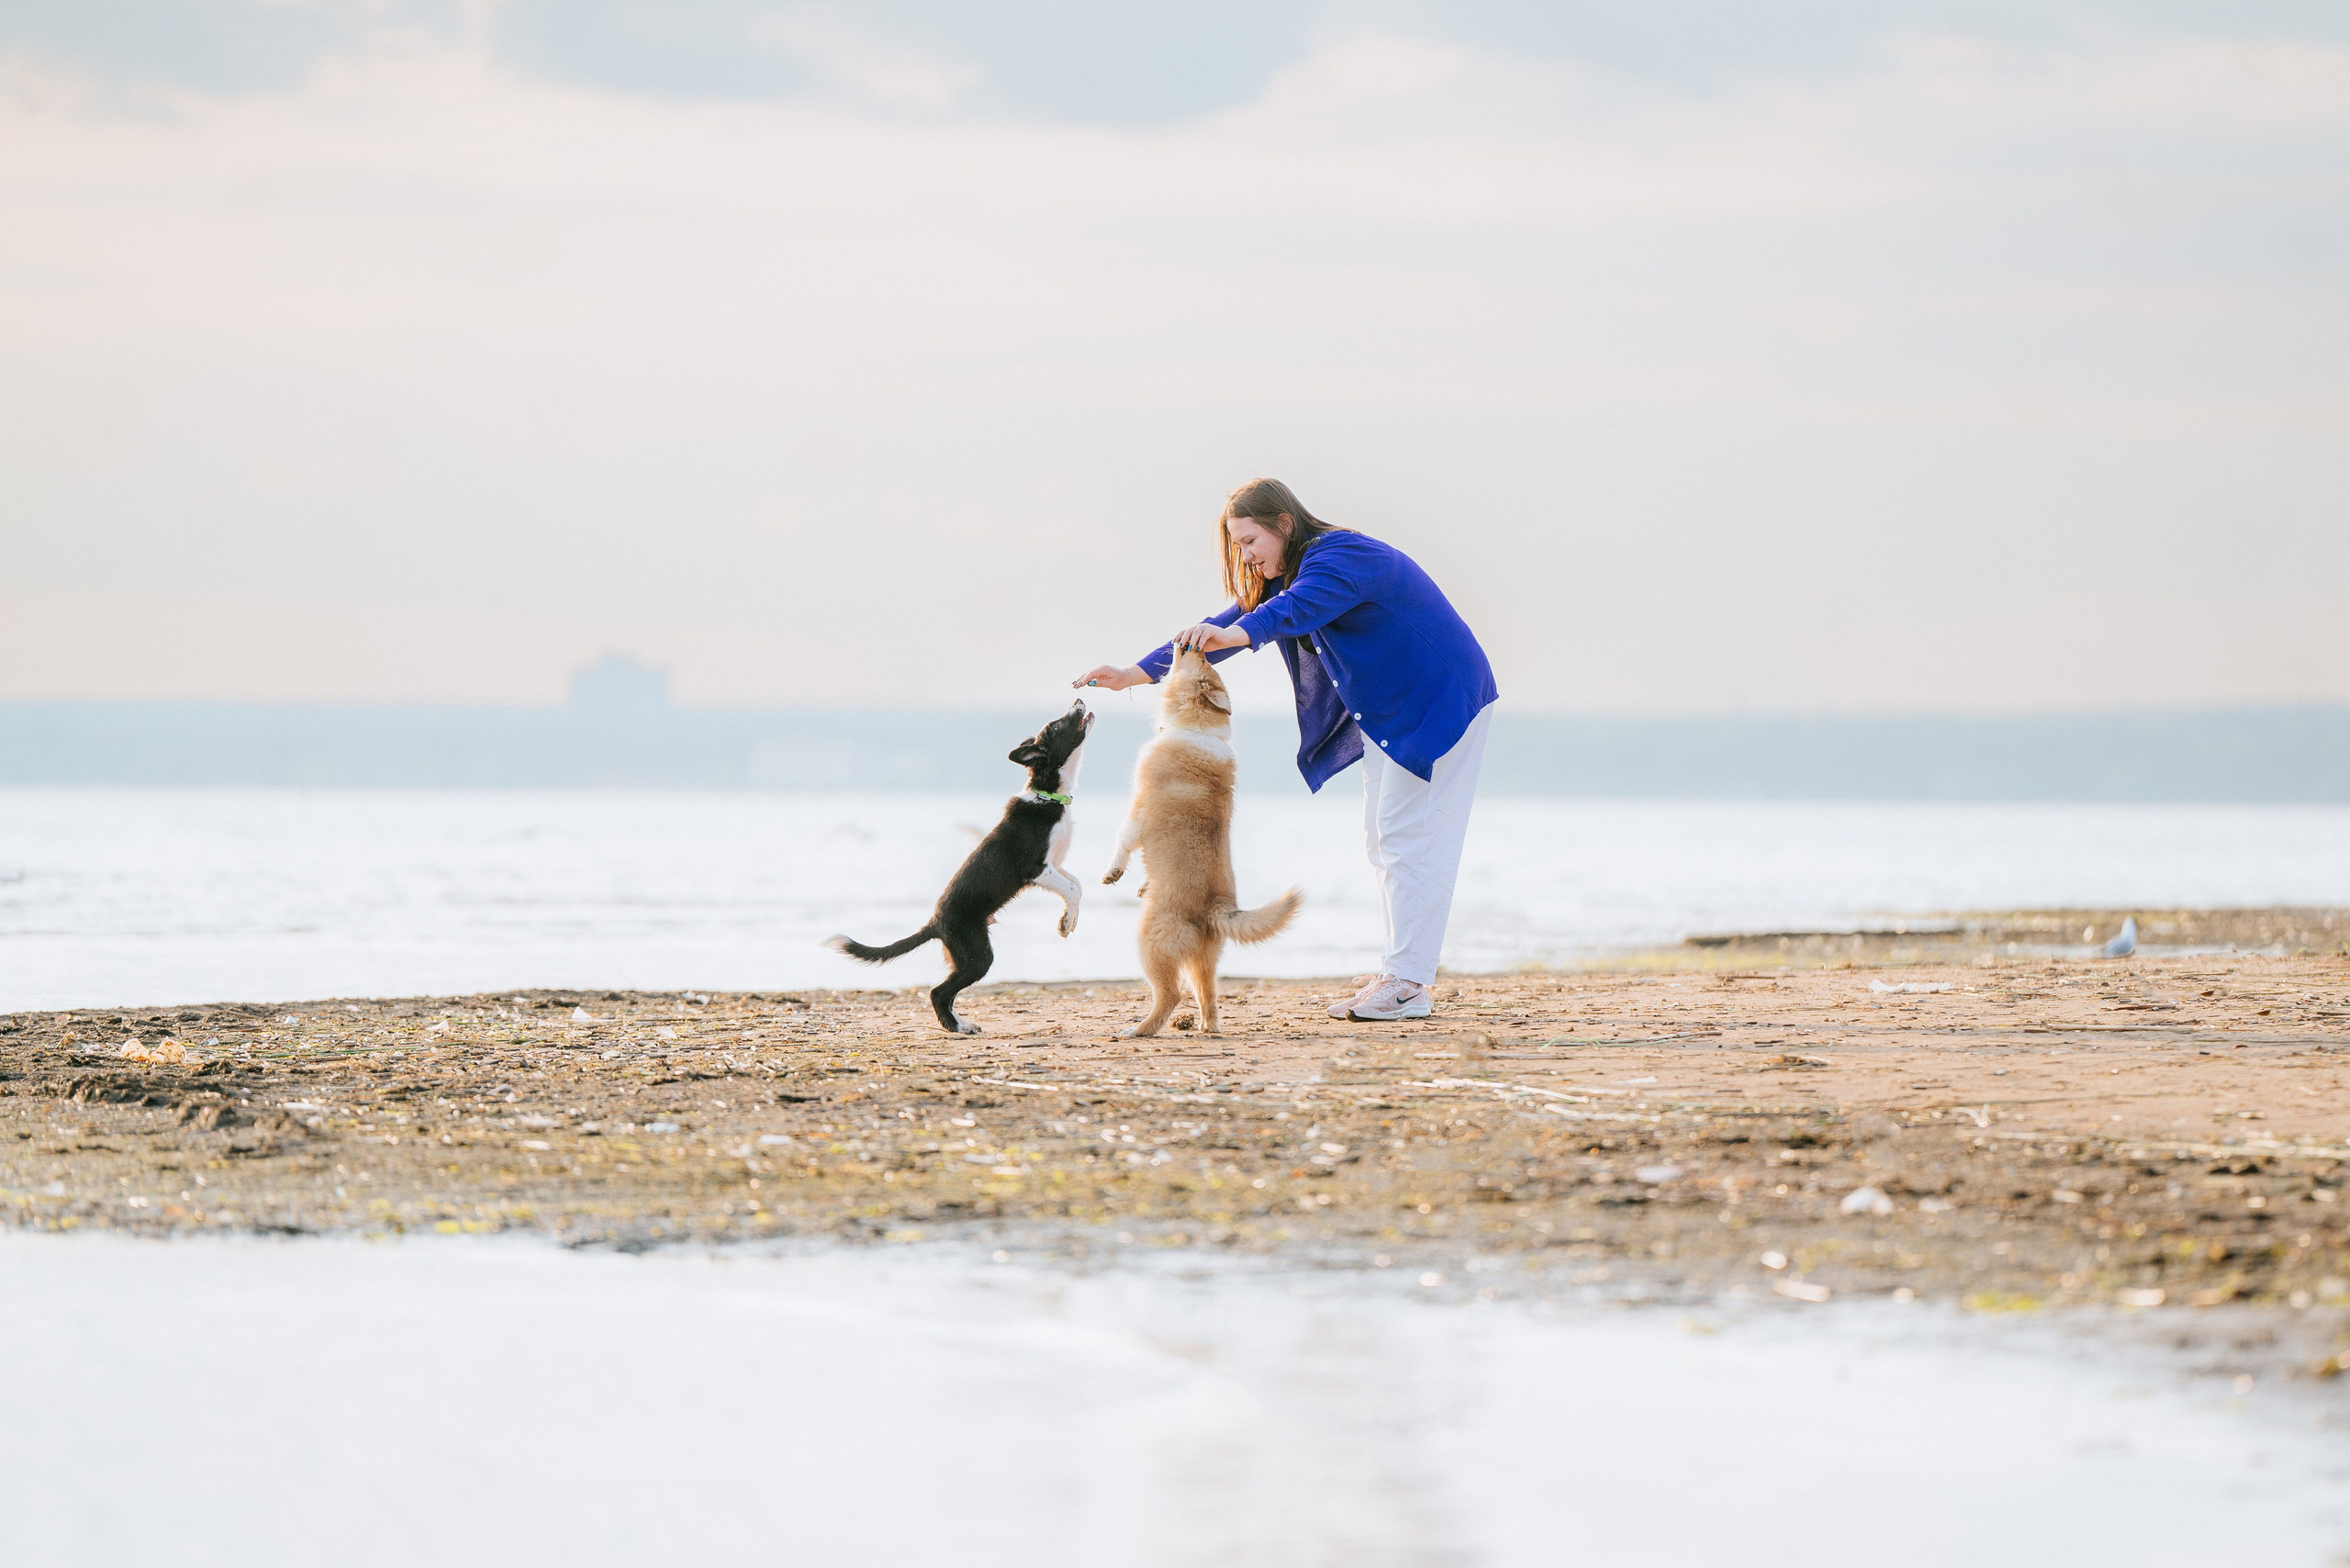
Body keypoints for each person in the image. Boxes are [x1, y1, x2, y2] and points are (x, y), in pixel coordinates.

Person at [1075, 478, 1497, 1022]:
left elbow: (1290, 612)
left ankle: (1409, 981)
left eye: (1250, 542)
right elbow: (1224, 625)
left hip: (1440, 701)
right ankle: (1399, 971)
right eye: (1237, 546)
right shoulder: (1290, 573)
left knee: (1412, 839)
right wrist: (1134, 673)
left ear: (1284, 524)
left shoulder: (1343, 556)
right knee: (1384, 838)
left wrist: (1243, 634)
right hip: (1396, 710)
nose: (1245, 557)